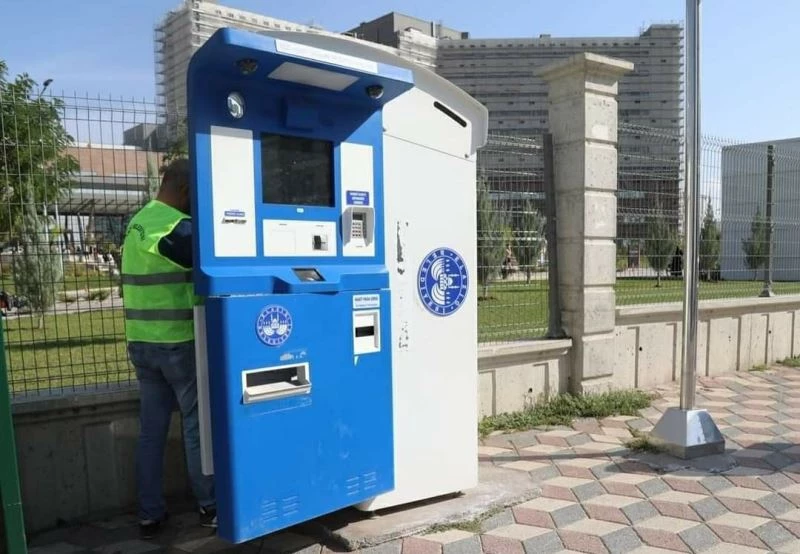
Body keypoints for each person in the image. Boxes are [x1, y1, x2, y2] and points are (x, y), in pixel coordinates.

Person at [121, 159, 215, 539]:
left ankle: (149, 513)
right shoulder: (176, 228)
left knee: (152, 431)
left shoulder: (138, 222)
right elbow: (213, 261)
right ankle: (209, 505)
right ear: (186, 190)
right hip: (177, 342)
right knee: (196, 426)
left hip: (141, 344)